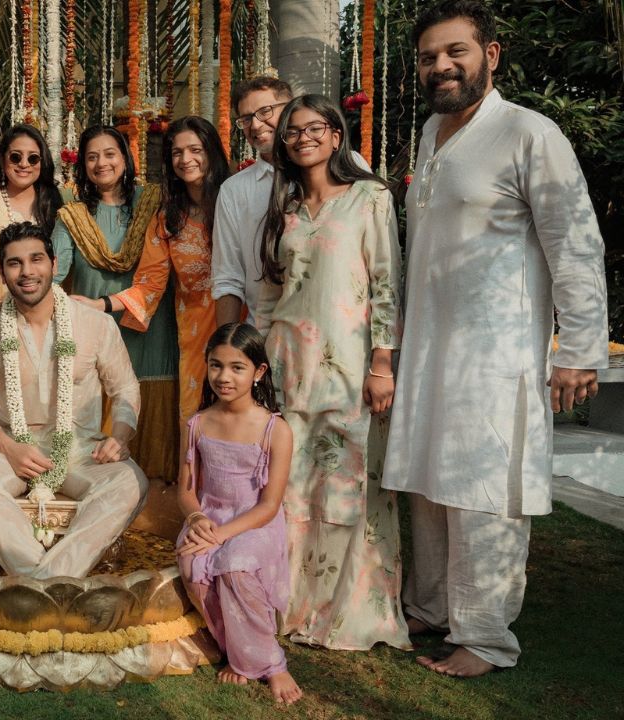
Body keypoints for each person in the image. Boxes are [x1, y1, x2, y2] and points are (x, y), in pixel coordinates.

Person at [384, 0, 608, 678]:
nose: (442, 66)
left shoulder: (529, 132)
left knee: (482, 488)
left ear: (491, 55)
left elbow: (575, 243)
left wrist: (580, 350)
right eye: (429, 57)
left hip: (495, 353)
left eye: (456, 51)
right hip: (430, 349)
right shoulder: (431, 132)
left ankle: (484, 638)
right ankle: (430, 607)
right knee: (428, 482)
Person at [254, 94, 409, 652]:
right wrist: (258, 366)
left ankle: (348, 613)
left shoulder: (370, 198)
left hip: (349, 365)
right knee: (292, 487)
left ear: (336, 136)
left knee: (346, 488)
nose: (303, 138)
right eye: (292, 131)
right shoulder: (285, 210)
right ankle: (290, 605)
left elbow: (387, 284)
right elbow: (268, 295)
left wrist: (382, 363)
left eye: (314, 128)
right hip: (288, 365)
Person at [0, 222, 148, 579]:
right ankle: (44, 577)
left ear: (54, 264)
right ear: (2, 272)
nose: (27, 271)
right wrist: (9, 447)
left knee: (130, 483)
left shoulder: (96, 324)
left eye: (36, 259)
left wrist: (120, 436)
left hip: (80, 447)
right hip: (8, 448)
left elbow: (125, 390)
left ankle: (44, 580)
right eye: (15, 263)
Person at [75, 115, 230, 425]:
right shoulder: (168, 217)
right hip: (193, 333)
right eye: (177, 152)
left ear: (212, 151)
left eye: (195, 150)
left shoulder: (236, 201)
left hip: (244, 322)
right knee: (197, 419)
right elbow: (149, 283)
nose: (185, 159)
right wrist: (100, 304)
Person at [176, 322, 300, 705]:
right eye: (216, 365)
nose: (224, 377)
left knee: (235, 565)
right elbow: (186, 491)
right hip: (209, 518)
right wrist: (197, 519)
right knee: (193, 563)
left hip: (254, 523)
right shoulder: (197, 424)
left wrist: (223, 534)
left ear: (258, 371)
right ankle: (236, 652)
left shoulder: (275, 430)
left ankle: (272, 664)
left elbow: (269, 505)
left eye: (237, 367)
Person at [53, 125, 179, 483]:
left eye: (110, 154)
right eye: (92, 157)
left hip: (152, 329)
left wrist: (102, 304)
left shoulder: (154, 203)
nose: (101, 163)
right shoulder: (73, 215)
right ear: (83, 165)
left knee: (151, 432)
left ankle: (154, 500)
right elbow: (53, 272)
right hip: (94, 331)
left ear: (125, 157)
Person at [212, 77, 370, 327]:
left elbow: (376, 258)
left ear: (290, 109)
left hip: (343, 329)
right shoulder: (234, 190)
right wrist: (226, 343)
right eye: (246, 119)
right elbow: (228, 278)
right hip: (268, 331)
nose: (255, 125)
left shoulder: (348, 164)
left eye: (265, 111)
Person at [0, 124, 64, 312]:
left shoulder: (56, 207)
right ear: (2, 159)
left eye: (33, 158)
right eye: (15, 157)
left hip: (48, 315)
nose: (24, 164)